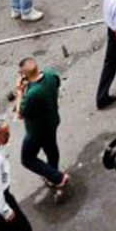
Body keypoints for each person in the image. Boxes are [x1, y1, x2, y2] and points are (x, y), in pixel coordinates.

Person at [14, 58, 71, 196]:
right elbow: (57, 83)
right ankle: (52, 176)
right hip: (52, 120)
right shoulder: (51, 75)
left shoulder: (33, 94)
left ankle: (58, 177)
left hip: (37, 131)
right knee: (51, 148)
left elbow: (20, 114)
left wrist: (20, 92)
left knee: (27, 159)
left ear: (24, 75)